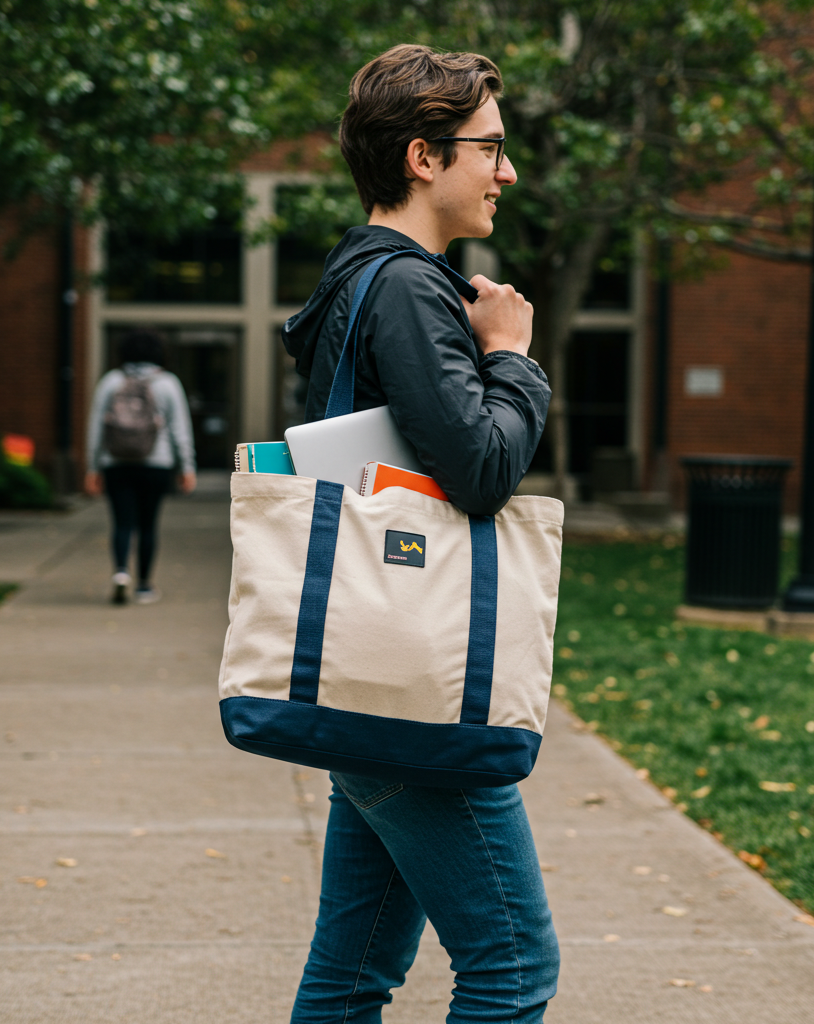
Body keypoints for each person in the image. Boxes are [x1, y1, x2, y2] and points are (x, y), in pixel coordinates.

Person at [281, 45, 559, 1022]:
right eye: (490, 147)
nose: (507, 170)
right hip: (410, 686)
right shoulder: (405, 287)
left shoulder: (355, 278)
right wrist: (515, 359)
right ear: (421, 157)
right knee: (512, 965)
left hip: (371, 665)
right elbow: (480, 469)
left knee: (354, 969)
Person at [85, 329, 196, 604]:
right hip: (156, 464)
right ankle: (145, 586)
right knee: (148, 525)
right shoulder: (168, 383)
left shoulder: (111, 381)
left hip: (116, 463)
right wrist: (187, 467)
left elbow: (95, 427)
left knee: (122, 523)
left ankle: (121, 572)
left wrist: (92, 467)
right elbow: (180, 429)